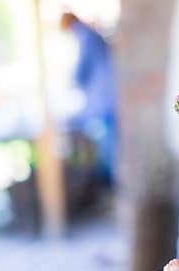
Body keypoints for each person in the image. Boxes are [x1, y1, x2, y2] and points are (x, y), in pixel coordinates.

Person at [61, 11, 117, 186]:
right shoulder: (90, 34)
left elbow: (79, 73)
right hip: (104, 101)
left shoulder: (85, 36)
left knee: (109, 151)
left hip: (104, 103)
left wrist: (68, 80)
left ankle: (113, 186)